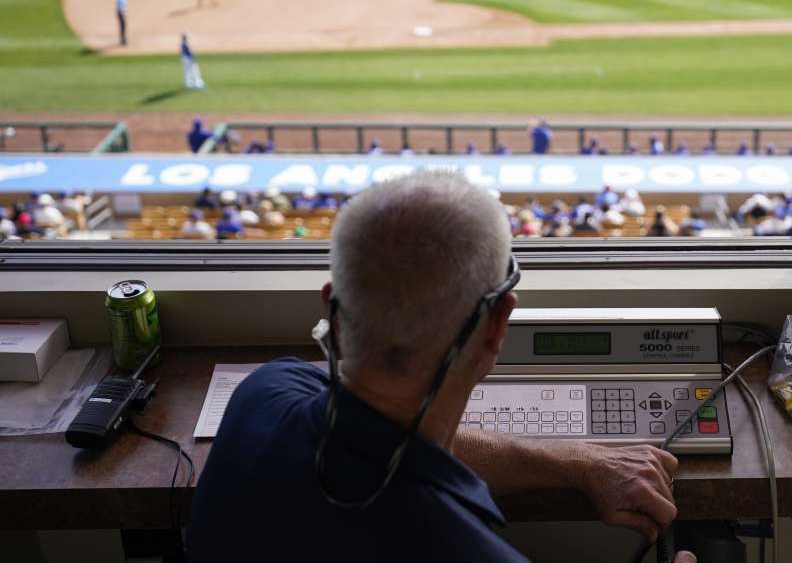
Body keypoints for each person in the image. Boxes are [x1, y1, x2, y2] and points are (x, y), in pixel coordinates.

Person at [189, 172, 691, 562]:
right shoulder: (467, 551)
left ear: (333, 312)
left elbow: (376, 430)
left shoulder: (264, 393)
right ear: (496, 327)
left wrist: (579, 463)